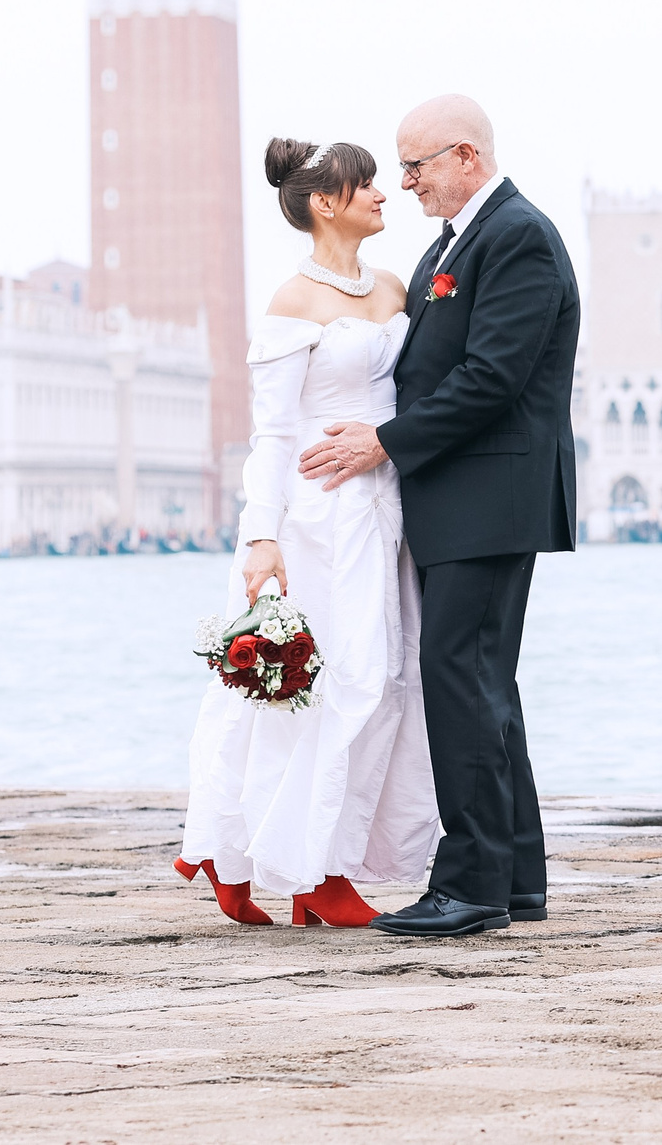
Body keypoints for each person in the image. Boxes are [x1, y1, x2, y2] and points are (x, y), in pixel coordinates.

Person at [300, 95, 581, 937]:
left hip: (491, 499)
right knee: (482, 684)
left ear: (466, 156)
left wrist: (382, 442)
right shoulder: (452, 246)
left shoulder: (517, 236)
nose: (406, 180)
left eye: (417, 164)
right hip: (462, 500)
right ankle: (514, 876)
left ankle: (470, 884)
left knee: (459, 678)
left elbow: (492, 377)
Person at [175, 138, 440, 928]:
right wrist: (262, 536)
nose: (384, 193)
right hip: (315, 517)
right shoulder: (293, 302)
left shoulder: (392, 285)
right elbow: (275, 433)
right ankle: (299, 868)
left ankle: (284, 857)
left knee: (386, 679)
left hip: (383, 507)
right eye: (368, 185)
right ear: (326, 202)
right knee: (317, 687)